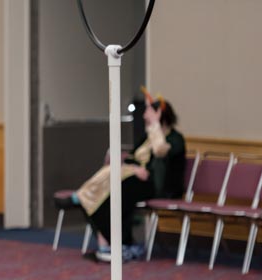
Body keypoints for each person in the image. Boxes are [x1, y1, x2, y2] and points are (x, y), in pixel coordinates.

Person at [72, 92, 186, 263]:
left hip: (159, 186)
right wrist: (131, 167)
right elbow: (133, 157)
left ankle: (122, 243)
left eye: (148, 112)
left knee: (122, 192)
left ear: (160, 115)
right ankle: (107, 243)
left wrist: (155, 125)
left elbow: (160, 151)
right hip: (139, 178)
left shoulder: (176, 139)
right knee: (99, 196)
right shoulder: (147, 137)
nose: (144, 116)